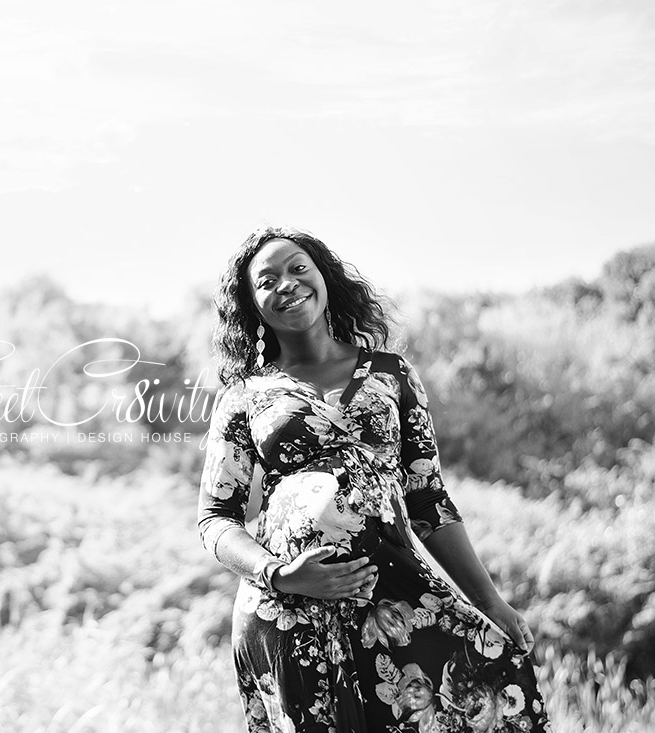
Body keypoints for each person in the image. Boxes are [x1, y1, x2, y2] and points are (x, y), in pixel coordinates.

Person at [197, 226, 551, 732]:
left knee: (487, 686)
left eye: (299, 268)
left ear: (324, 278)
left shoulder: (390, 373)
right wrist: (280, 574)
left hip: (393, 594)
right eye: (267, 280)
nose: (287, 284)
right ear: (252, 303)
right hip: (288, 609)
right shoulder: (244, 397)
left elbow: (429, 499)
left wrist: (488, 598)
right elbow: (215, 520)